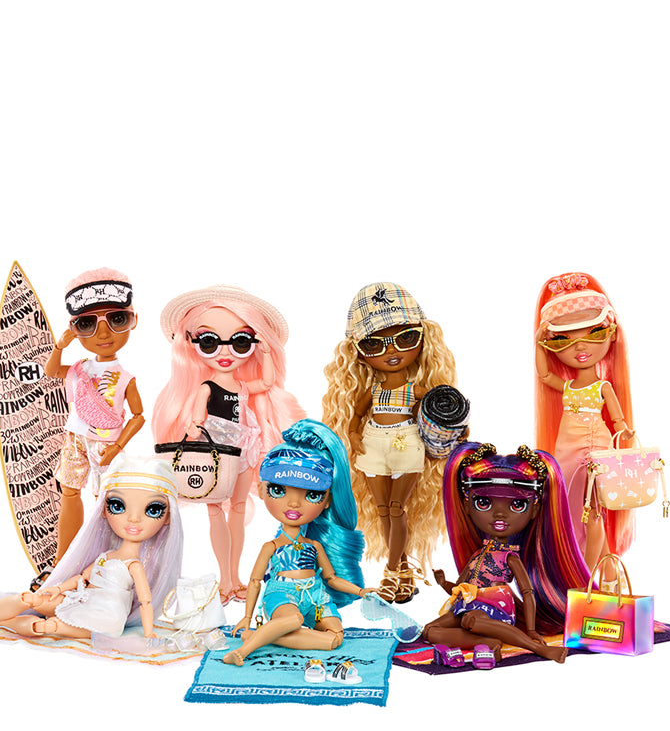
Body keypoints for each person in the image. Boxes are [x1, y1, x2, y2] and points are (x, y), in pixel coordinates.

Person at [152, 286, 304, 603]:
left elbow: (266, 382)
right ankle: (225, 579)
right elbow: (197, 419)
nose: (225, 352)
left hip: (244, 448)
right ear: (191, 344)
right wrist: (192, 431)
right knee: (215, 512)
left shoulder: (242, 386)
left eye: (240, 342)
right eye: (209, 342)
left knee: (237, 509)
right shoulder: (206, 387)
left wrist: (265, 353)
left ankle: (235, 578)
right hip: (215, 454)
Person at [0, 455, 182, 641]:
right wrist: (59, 588)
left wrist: (149, 634)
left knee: (46, 627)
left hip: (106, 617)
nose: (134, 519)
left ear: (168, 517)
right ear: (104, 511)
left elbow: (146, 602)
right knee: (29, 599)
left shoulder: (134, 565)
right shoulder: (105, 556)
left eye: (153, 510)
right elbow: (82, 577)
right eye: (118, 506)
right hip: (82, 599)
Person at [322, 282, 459, 603]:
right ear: (357, 352)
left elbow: (444, 405)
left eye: (406, 338)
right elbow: (357, 415)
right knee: (384, 510)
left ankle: (392, 571)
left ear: (424, 338)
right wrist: (353, 435)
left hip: (406, 445)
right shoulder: (374, 390)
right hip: (372, 445)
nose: (392, 352)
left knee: (398, 509)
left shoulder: (415, 389)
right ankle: (403, 572)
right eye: (373, 345)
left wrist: (454, 427)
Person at [222, 420, 377, 666]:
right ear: (261, 490)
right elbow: (254, 582)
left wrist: (360, 591)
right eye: (279, 490)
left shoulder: (315, 546)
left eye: (312, 495)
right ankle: (244, 650)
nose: (294, 504)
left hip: (315, 595)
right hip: (281, 593)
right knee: (293, 619)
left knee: (335, 637)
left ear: (327, 500)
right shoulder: (271, 547)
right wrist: (247, 617)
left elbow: (331, 578)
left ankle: (266, 635)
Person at [423, 443, 590, 665]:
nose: (499, 514)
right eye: (484, 503)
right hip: (467, 606)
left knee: (471, 621)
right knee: (429, 631)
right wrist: (444, 583)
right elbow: (460, 588)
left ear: (534, 510)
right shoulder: (477, 555)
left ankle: (540, 649)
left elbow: (527, 593)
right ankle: (488, 642)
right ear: (467, 506)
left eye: (517, 504)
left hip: (495, 608)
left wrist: (531, 629)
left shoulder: (509, 557)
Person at [534, 271, 636, 565]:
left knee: (593, 511)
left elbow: (617, 419)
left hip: (595, 447)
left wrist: (624, 430)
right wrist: (539, 342)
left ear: (611, 334)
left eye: (593, 335)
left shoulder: (603, 387)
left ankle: (588, 573)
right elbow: (544, 375)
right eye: (563, 340)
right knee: (575, 507)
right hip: (566, 448)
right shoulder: (568, 386)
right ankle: (604, 571)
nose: (580, 347)